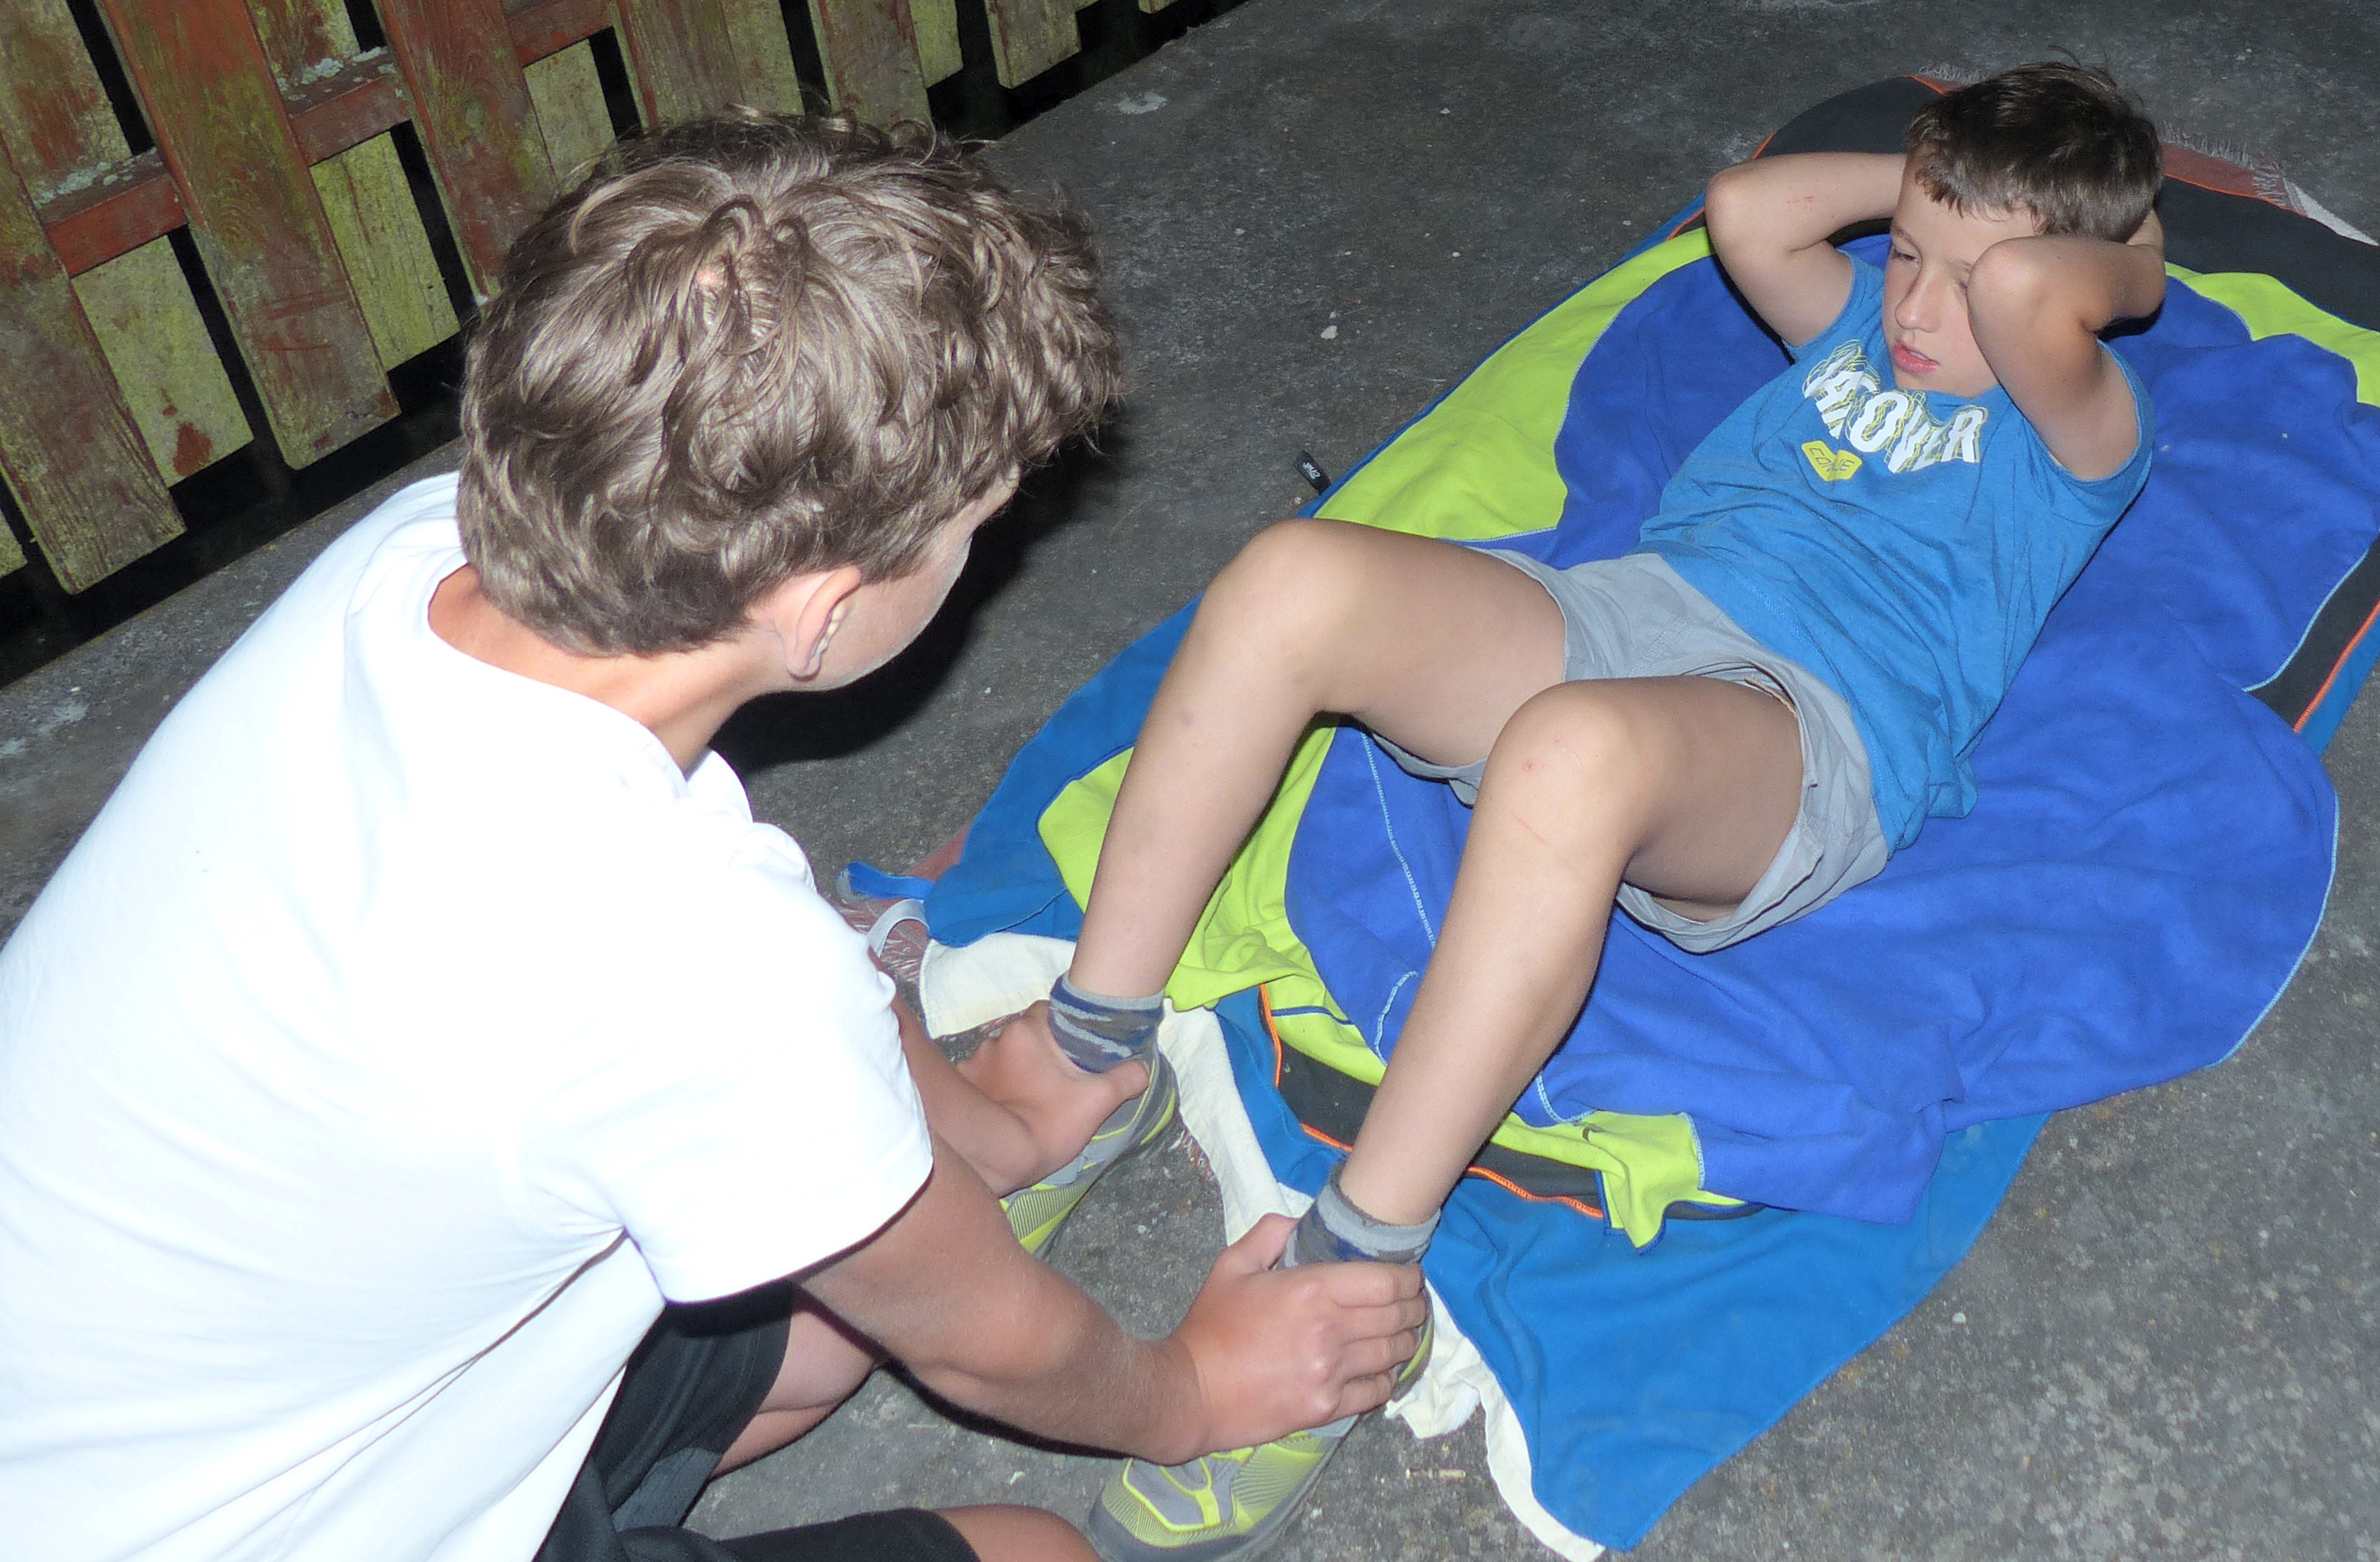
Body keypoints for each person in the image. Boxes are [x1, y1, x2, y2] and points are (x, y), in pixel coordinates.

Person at [0, 116, 1425, 1562]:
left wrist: (992, 1135)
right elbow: (981, 1343)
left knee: (822, 1335)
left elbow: (752, 948)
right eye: (972, 530)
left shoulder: (421, 552)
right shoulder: (693, 972)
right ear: (821, 612)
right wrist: (1196, 1393)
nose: (980, 557)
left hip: (130, 1396)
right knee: (1033, 1549)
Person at [970, 63, 2171, 1560]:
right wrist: (1932, 185)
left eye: (1966, 282)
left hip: (1804, 731)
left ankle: (1354, 1272)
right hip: (1627, 614)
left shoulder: (2073, 433)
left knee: (1568, 755)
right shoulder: (1859, 330)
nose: (1919, 307)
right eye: (1907, 256)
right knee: (1292, 577)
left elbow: (2047, 295)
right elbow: (1745, 205)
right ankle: (1089, 1060)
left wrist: (2120, 255)